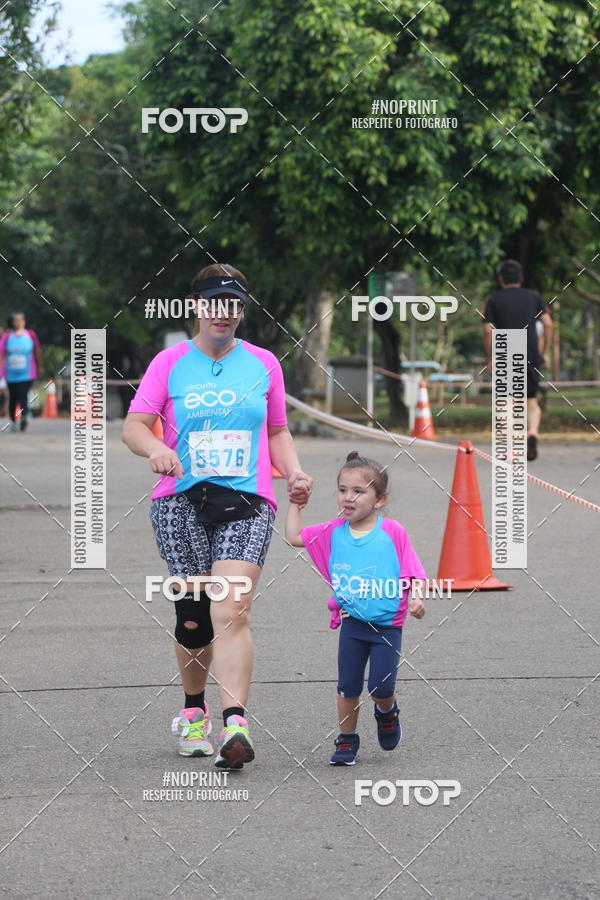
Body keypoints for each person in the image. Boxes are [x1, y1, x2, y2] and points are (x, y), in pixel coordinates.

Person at [122, 263, 312, 769]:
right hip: (179, 500)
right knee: (194, 617)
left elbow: (276, 431)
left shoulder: (265, 363)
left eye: (233, 305)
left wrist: (292, 471)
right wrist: (155, 450)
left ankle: (235, 725)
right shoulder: (169, 363)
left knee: (232, 609)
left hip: (246, 501)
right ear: (197, 308)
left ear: (241, 312)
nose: (223, 314)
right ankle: (193, 714)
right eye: (213, 304)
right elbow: (135, 426)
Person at [285, 451, 426, 766]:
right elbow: (293, 537)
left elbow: (413, 571)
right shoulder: (333, 532)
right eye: (342, 490)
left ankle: (386, 711)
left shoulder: (393, 533)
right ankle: (347, 739)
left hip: (388, 625)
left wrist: (416, 596)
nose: (348, 497)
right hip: (352, 623)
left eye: (358, 491)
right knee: (347, 686)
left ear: (379, 499)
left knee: (380, 686)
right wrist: (296, 504)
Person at [483, 259, 553, 461]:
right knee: (531, 401)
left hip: (507, 349)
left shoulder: (494, 299)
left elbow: (488, 329)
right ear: (521, 278)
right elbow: (548, 324)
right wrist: (543, 352)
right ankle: (532, 433)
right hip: (530, 350)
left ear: (501, 279)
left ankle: (510, 450)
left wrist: (491, 358)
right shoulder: (534, 297)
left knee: (506, 402)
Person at [0, 312, 43, 432]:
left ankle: (24, 417)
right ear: (12, 322)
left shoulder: (30, 335)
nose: (19, 322)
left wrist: (40, 366)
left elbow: (37, 351)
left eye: (21, 319)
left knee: (22, 394)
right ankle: (13, 421)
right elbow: (1, 355)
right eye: (16, 320)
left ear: (24, 321)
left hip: (27, 373)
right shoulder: (7, 337)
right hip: (10, 374)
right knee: (13, 397)